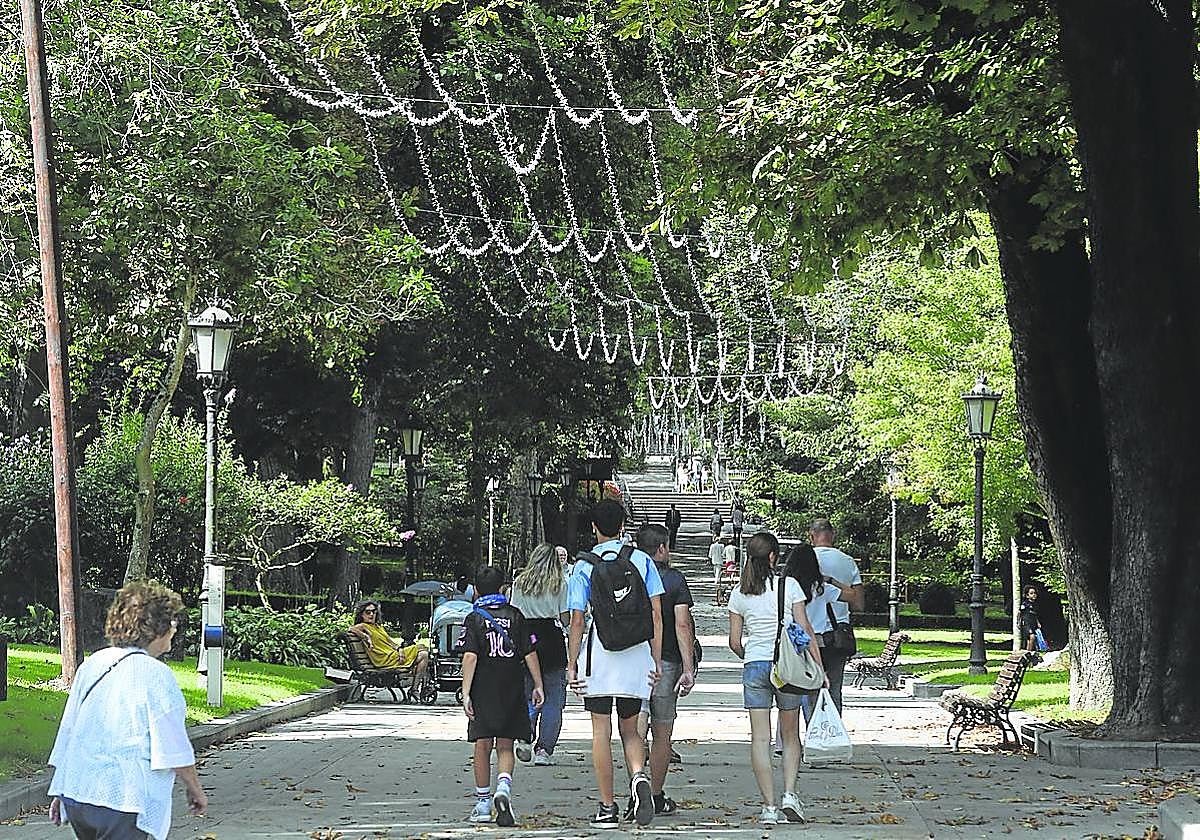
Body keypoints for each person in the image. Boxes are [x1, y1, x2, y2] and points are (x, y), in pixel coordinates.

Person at [47, 580, 207, 840]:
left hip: (78, 794)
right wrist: (194, 788)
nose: (175, 628)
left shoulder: (94, 664)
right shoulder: (156, 675)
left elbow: (70, 730)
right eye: (172, 621)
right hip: (122, 798)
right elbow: (172, 743)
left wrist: (59, 788)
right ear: (156, 627)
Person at [567, 499, 665, 829]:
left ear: (593, 527)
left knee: (600, 731)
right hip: (636, 654)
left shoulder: (583, 566)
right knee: (631, 729)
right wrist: (655, 657)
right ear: (623, 525)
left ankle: (607, 807)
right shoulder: (641, 560)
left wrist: (571, 663)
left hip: (599, 655)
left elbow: (578, 619)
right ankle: (638, 777)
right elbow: (655, 613)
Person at [728, 532, 826, 826]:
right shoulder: (789, 586)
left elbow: (734, 641)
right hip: (787, 669)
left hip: (755, 665)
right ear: (773, 557)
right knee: (790, 734)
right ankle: (790, 794)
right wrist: (819, 670)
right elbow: (805, 629)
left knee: (760, 738)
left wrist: (751, 654)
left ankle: (768, 806)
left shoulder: (739, 593)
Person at [459, 565, 545, 826]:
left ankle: (483, 803)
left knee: (482, 746)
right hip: (511, 685)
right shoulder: (517, 615)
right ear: (502, 588)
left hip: (483, 687)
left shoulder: (473, 619)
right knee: (505, 745)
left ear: (476, 589)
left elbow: (470, 656)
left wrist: (465, 692)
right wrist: (538, 685)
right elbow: (529, 652)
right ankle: (504, 788)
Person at [632, 524, 696, 817]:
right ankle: (655, 794)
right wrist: (688, 665)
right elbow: (682, 625)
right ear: (661, 548)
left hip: (631, 660)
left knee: (632, 727)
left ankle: (636, 780)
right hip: (667, 661)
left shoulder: (630, 577)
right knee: (662, 732)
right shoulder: (673, 579)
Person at [510, 543, 570, 765]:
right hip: (551, 638)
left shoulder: (520, 583)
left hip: (527, 636)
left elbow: (514, 613)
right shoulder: (560, 585)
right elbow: (565, 618)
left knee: (528, 692)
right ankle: (544, 749)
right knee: (554, 697)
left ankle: (524, 735)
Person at [782, 544, 857, 720]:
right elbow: (851, 594)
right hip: (826, 642)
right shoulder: (821, 588)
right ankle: (832, 728)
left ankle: (809, 727)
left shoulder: (786, 589)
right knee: (833, 689)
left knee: (803, 690)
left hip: (798, 644)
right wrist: (830, 579)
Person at [809, 518, 864, 713]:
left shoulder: (803, 561)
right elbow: (858, 603)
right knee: (834, 689)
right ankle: (833, 733)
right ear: (833, 535)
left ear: (812, 536)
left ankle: (812, 733)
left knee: (809, 689)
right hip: (837, 635)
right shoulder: (847, 561)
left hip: (808, 635)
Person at [349, 600, 430, 687]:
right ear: (362, 614)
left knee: (424, 654)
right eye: (368, 612)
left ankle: (415, 688)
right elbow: (351, 629)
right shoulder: (363, 626)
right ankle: (417, 687)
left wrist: (400, 650)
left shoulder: (378, 627)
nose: (371, 614)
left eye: (374, 611)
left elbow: (390, 642)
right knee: (422, 650)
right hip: (383, 659)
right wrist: (366, 637)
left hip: (391, 655)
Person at [1018, 585, 1042, 651]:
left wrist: (1038, 623)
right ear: (1027, 595)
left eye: (1034, 593)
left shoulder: (1035, 605)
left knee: (1029, 640)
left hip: (1033, 623)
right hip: (1026, 623)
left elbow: (1035, 615)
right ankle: (1030, 652)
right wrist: (1018, 622)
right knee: (1032, 637)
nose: (1034, 595)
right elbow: (1020, 613)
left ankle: (1028, 652)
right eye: (1031, 593)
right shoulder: (1025, 604)